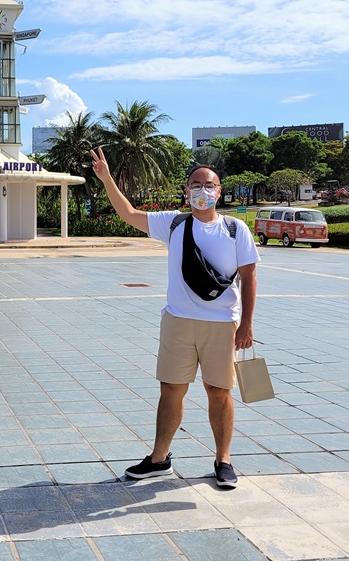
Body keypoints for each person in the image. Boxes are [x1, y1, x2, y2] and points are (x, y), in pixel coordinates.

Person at [89, 148, 260, 489]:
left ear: (219, 190)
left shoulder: (234, 229)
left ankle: (223, 460)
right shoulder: (174, 223)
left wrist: (246, 325)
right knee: (171, 390)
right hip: (178, 322)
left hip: (222, 323)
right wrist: (107, 178)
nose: (202, 190)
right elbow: (128, 213)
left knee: (219, 391)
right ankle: (159, 459)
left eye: (208, 185)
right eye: (195, 184)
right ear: (186, 191)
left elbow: (249, 276)